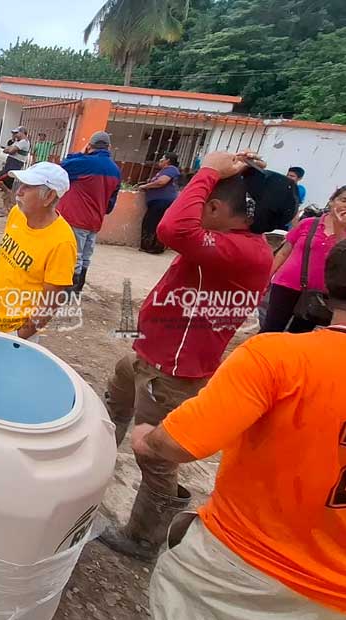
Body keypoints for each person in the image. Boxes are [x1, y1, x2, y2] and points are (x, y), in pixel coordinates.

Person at [137, 225, 346, 620]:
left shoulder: (276, 356)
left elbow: (179, 443)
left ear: (329, 291)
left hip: (231, 573)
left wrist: (146, 440)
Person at [98, 152, 297, 561]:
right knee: (112, 407)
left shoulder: (242, 251)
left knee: (154, 454)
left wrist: (209, 171)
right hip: (151, 355)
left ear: (221, 211)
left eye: (207, 202)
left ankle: (143, 538)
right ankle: (93, 467)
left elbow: (172, 226)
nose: (198, 206)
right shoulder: (234, 242)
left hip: (169, 372)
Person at [0, 162, 77, 338]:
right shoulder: (17, 214)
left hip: (14, 328)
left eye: (28, 187)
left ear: (49, 196)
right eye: (21, 185)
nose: (19, 191)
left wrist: (20, 335)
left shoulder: (62, 242)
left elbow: (51, 301)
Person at [261, 184, 346, 334]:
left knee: (300, 335)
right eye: (344, 200)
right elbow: (283, 253)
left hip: (321, 292)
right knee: (271, 329)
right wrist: (266, 279)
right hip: (287, 284)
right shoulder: (309, 223)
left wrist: (340, 228)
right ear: (333, 201)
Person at [55, 131, 121, 292]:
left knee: (74, 254)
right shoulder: (115, 170)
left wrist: (81, 152)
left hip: (76, 217)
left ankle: (69, 290)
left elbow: (62, 167)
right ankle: (78, 288)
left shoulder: (84, 163)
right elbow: (111, 202)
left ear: (90, 146)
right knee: (85, 255)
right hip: (95, 220)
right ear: (109, 147)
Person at [137, 153, 182, 254]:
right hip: (158, 202)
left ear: (168, 161)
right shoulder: (164, 171)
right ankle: (151, 246)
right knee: (151, 222)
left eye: (163, 158)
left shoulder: (171, 169)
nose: (160, 160)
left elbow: (162, 182)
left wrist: (145, 186)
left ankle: (153, 247)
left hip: (161, 202)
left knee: (152, 223)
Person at [0, 127, 32, 213]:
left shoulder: (23, 142)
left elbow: (11, 151)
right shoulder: (17, 142)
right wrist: (9, 148)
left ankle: (7, 198)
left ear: (22, 132)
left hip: (14, 165)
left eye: (16, 133)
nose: (14, 135)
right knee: (5, 184)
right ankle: (5, 206)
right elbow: (7, 149)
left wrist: (9, 149)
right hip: (10, 163)